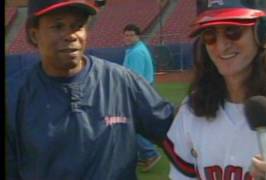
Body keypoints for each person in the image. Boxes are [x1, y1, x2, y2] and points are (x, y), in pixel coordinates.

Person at [5, 0, 175, 179]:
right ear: (34, 35)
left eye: (77, 25)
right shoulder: (14, 95)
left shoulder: (122, 82)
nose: (71, 35)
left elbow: (180, 137)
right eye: (58, 26)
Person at [162, 0, 266, 180]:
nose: (221, 46)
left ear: (262, 32)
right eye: (210, 35)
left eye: (233, 31)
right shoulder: (191, 110)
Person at [122, 24, 161, 172]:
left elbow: (134, 78)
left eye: (131, 35)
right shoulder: (134, 49)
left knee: (131, 125)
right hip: (143, 90)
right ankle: (143, 154)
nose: (128, 38)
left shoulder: (136, 52)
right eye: (126, 35)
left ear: (138, 36)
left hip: (139, 92)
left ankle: (150, 153)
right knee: (135, 124)